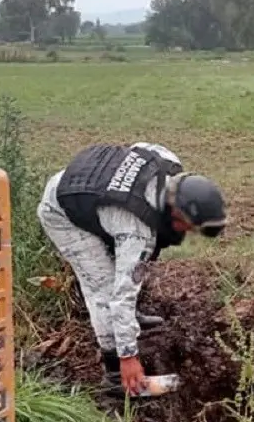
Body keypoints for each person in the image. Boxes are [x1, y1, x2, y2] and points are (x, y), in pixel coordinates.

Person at [37, 142, 227, 394]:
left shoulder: (168, 163)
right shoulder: (137, 231)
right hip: (61, 211)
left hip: (94, 196)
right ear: (176, 215)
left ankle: (129, 323)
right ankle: (115, 375)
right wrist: (128, 357)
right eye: (190, 226)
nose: (190, 234)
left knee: (128, 267)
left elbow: (137, 149)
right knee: (103, 288)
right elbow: (120, 296)